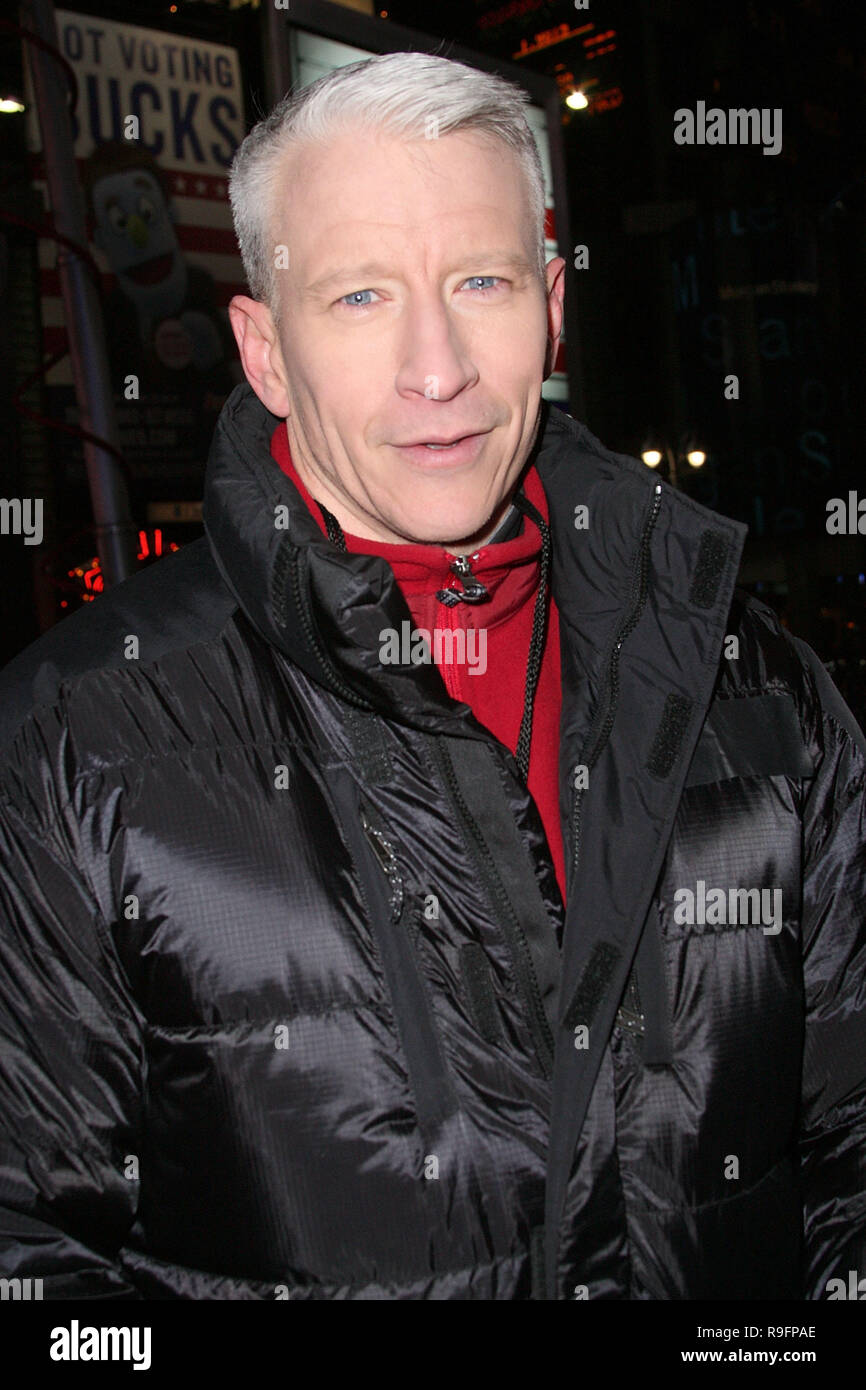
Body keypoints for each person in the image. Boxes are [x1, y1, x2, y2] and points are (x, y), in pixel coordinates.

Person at [0, 51, 863, 1302]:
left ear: (553, 307)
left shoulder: (757, 682)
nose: (435, 365)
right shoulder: (72, 733)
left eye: (480, 280)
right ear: (265, 351)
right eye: (357, 297)